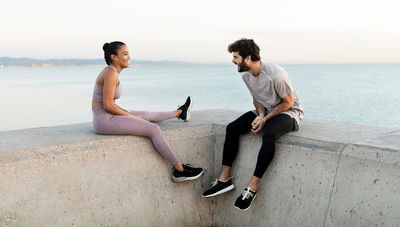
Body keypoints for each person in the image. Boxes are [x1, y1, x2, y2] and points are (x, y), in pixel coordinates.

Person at [202, 38, 303, 210]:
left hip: (289, 113)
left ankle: (252, 187)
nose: (233, 61)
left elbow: (288, 102)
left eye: (236, 57)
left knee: (269, 133)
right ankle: (223, 179)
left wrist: (265, 120)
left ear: (247, 58)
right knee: (232, 128)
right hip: (266, 111)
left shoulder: (276, 74)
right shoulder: (246, 75)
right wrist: (261, 114)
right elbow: (257, 98)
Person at [92, 41, 203, 182]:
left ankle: (180, 112)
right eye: (125, 54)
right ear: (114, 57)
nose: (129, 57)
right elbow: (108, 105)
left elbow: (109, 105)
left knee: (147, 115)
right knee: (154, 129)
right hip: (104, 120)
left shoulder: (111, 71)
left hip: (107, 116)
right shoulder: (111, 72)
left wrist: (132, 115)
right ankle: (179, 169)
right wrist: (131, 116)